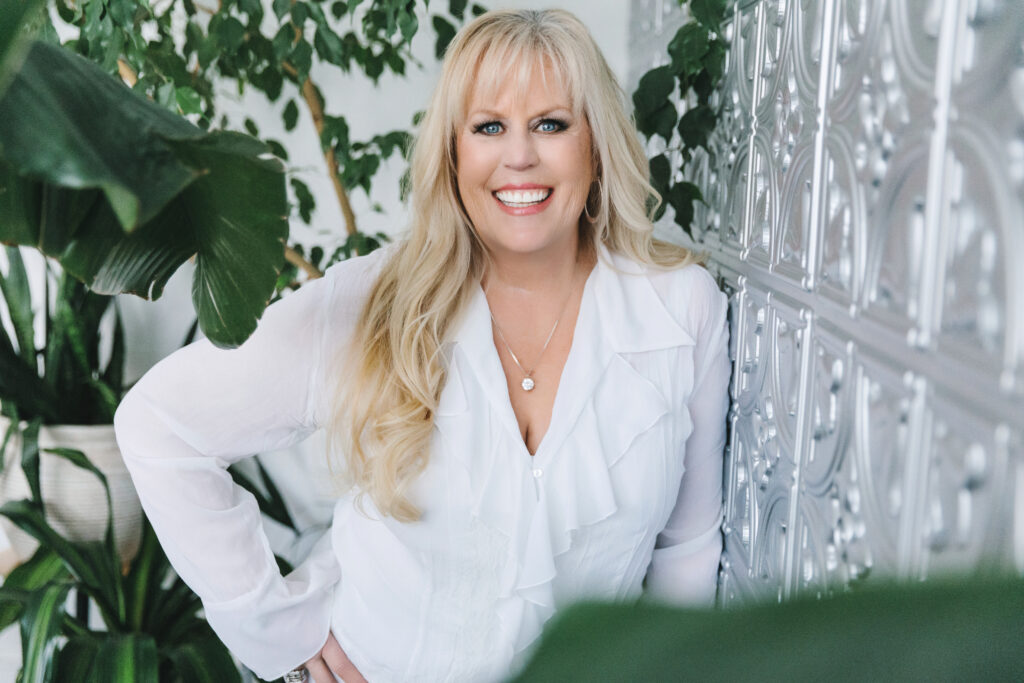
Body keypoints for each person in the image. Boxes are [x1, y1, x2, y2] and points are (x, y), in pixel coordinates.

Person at [114, 8, 730, 683]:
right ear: (454, 151)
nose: (518, 155)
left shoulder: (682, 310)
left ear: (596, 146)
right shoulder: (375, 299)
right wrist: (280, 634)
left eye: (550, 124)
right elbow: (160, 425)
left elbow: (687, 552)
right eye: (488, 126)